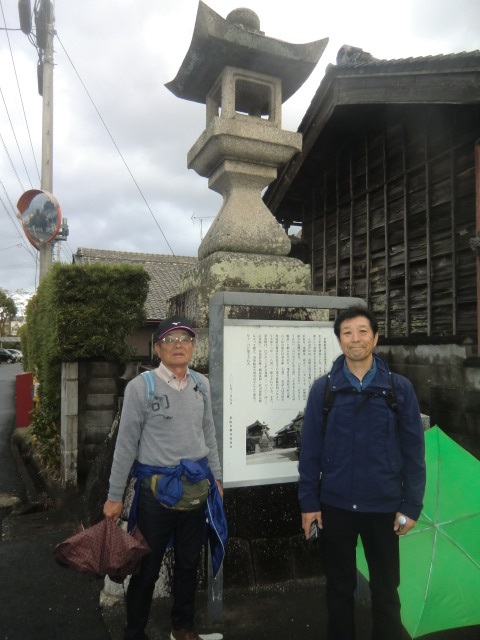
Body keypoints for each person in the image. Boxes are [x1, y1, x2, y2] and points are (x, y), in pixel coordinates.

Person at [298, 305, 426, 640]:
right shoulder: (324, 390)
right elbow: (310, 451)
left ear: (375, 337)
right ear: (339, 340)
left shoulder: (399, 389)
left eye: (362, 331)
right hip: (336, 505)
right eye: (347, 333)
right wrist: (309, 503)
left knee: (386, 589)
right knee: (338, 589)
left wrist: (412, 505)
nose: (355, 339)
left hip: (384, 506)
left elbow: (414, 452)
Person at [104, 315, 224, 640]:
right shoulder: (141, 387)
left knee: (189, 564)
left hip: (196, 489)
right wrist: (114, 496)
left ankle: (182, 629)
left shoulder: (201, 384)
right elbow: (125, 446)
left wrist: (216, 478)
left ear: (193, 346)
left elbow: (209, 435)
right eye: (170, 339)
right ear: (157, 348)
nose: (178, 345)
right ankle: (134, 633)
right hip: (154, 494)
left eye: (185, 339)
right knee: (146, 568)